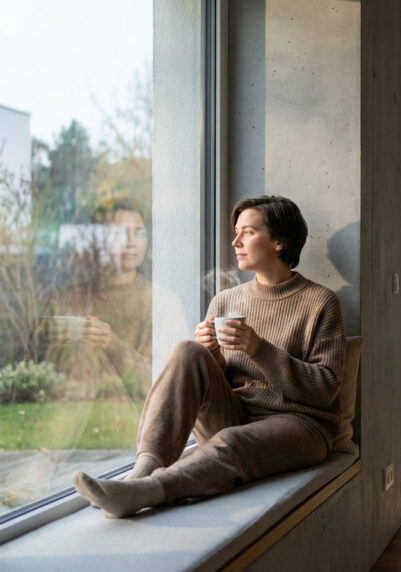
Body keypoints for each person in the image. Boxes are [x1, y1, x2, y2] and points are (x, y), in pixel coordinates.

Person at [73, 195, 349, 518]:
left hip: (301, 425)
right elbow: (215, 379)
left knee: (233, 442)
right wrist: (211, 353)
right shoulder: (225, 301)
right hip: (234, 413)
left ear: (279, 242)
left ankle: (145, 493)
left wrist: (258, 348)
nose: (235, 242)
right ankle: (142, 470)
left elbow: (325, 389)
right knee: (188, 350)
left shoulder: (320, 302)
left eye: (248, 232)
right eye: (236, 232)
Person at [49, 197, 153, 397]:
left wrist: (111, 344)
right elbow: (42, 372)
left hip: (136, 419)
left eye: (139, 233)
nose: (131, 242)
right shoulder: (67, 299)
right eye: (119, 233)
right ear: (98, 239)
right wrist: (54, 343)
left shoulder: (160, 302)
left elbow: (164, 384)